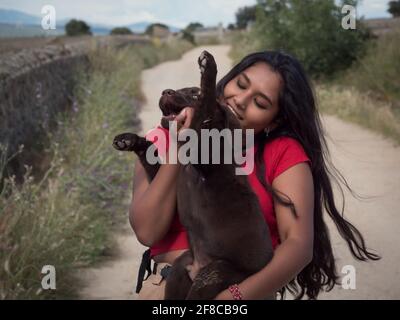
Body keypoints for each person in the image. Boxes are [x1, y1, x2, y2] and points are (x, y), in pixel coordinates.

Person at [130, 51, 380, 300]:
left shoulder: (281, 153)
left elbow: (298, 244)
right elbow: (147, 231)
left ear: (274, 120)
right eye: (240, 85)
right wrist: (180, 146)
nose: (240, 100)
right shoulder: (161, 138)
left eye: (260, 103)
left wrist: (233, 297)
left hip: (241, 292)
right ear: (226, 80)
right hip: (169, 288)